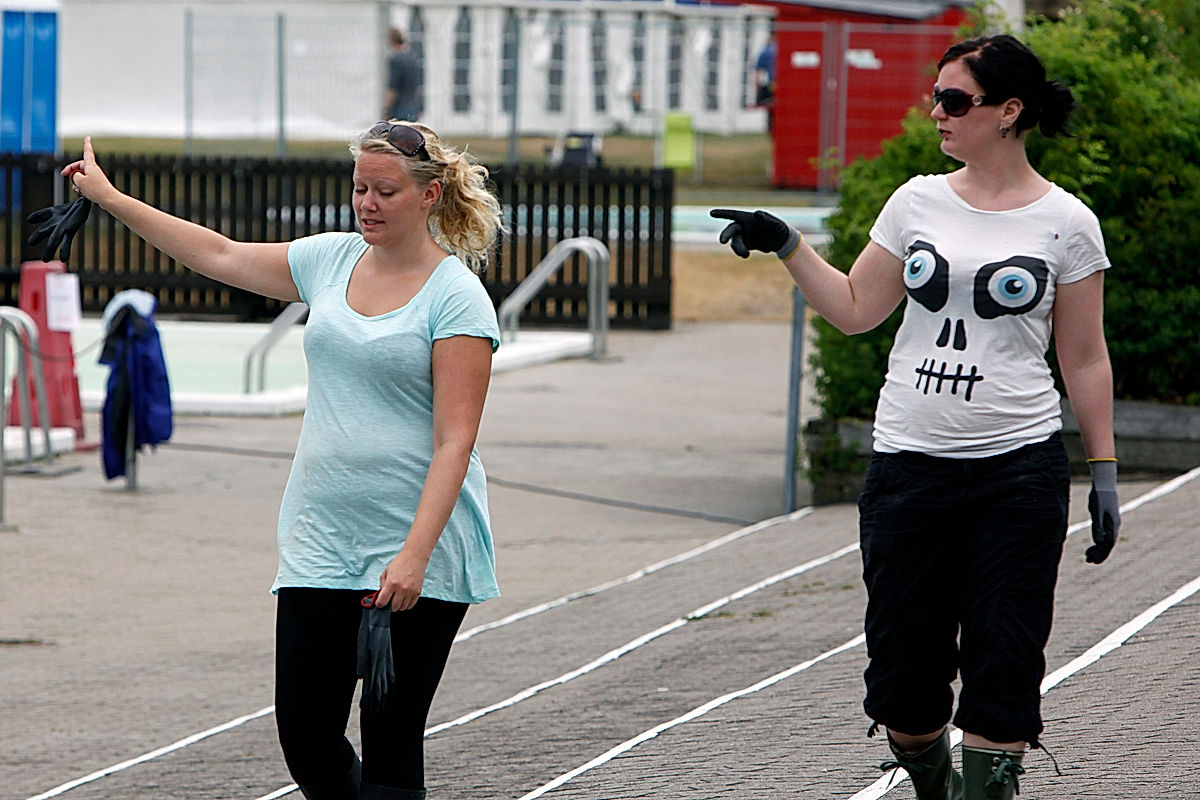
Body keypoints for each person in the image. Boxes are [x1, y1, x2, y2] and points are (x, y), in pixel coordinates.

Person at [712, 34, 1119, 800]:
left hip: (1017, 472)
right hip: (908, 468)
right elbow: (859, 309)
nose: (937, 112)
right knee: (904, 683)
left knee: (1004, 664)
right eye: (936, 96)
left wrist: (1103, 471)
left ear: (1009, 112)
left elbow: (1086, 357)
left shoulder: (1068, 222)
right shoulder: (916, 200)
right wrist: (788, 244)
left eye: (955, 101)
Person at [62, 120, 505, 800]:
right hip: (320, 541)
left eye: (385, 191)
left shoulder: (456, 297)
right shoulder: (330, 260)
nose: (368, 203)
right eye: (360, 188)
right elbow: (219, 254)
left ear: (429, 195)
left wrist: (414, 554)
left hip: (417, 546)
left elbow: (456, 440)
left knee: (390, 743)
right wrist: (112, 199)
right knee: (306, 737)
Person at [383, 28, 423, 123]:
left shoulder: (395, 59)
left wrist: (386, 108)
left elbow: (393, 86)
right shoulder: (413, 57)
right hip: (414, 106)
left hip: (399, 107)